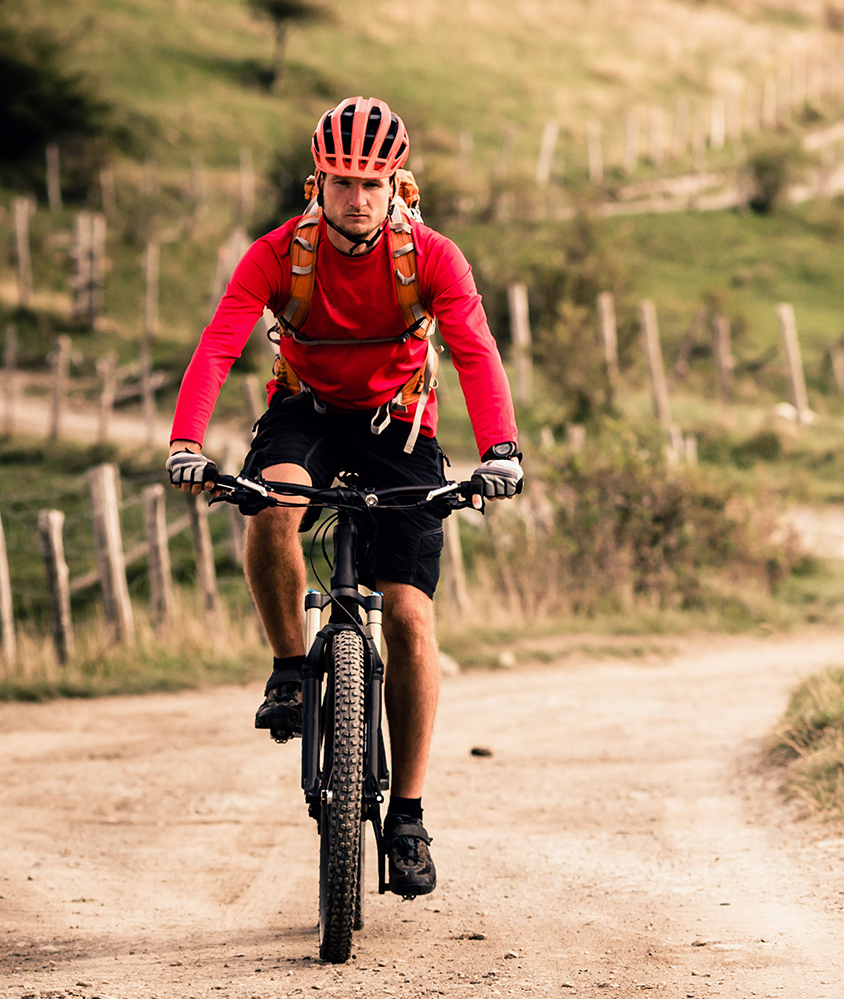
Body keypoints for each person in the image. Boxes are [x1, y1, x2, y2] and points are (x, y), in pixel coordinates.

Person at [164, 96, 523, 899]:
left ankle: (408, 816)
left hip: (401, 424)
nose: (357, 198)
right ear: (316, 182)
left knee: (411, 618)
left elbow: (474, 348)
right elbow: (219, 342)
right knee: (271, 503)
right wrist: (187, 442)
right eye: (342, 181)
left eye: (372, 183)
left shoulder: (433, 258)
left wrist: (501, 448)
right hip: (308, 411)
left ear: (398, 185)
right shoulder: (276, 255)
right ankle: (290, 667)